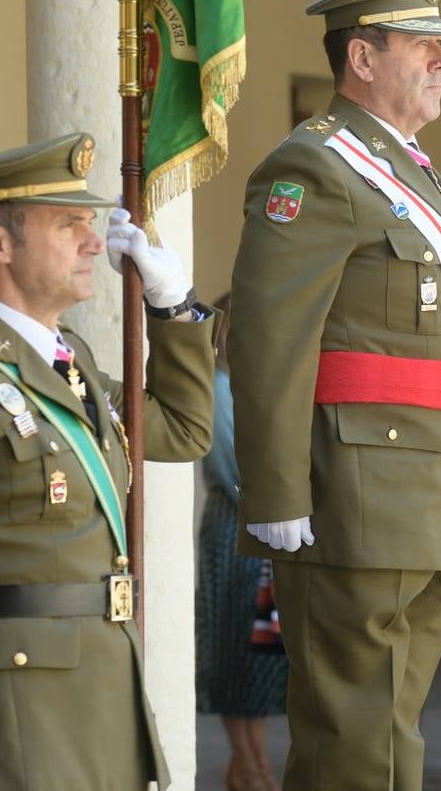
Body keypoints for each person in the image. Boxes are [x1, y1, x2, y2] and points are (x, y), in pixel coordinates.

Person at [0, 132, 217, 790]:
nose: (93, 242)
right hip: (24, 719)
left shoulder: (67, 363)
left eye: (88, 223)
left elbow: (181, 429)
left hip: (102, 701)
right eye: (69, 225)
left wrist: (172, 306)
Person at [228, 0, 441, 791]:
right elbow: (271, 338)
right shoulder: (316, 168)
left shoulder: (419, 174)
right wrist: (275, 495)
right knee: (355, 743)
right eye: (422, 45)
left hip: (425, 491)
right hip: (356, 493)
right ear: (362, 59)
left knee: (391, 735)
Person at [196, 292, 286, 791]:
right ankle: (253, 767)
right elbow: (236, 470)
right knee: (235, 650)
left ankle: (249, 766)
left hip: (261, 529)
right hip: (235, 530)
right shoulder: (218, 387)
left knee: (257, 655)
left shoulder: (250, 385)